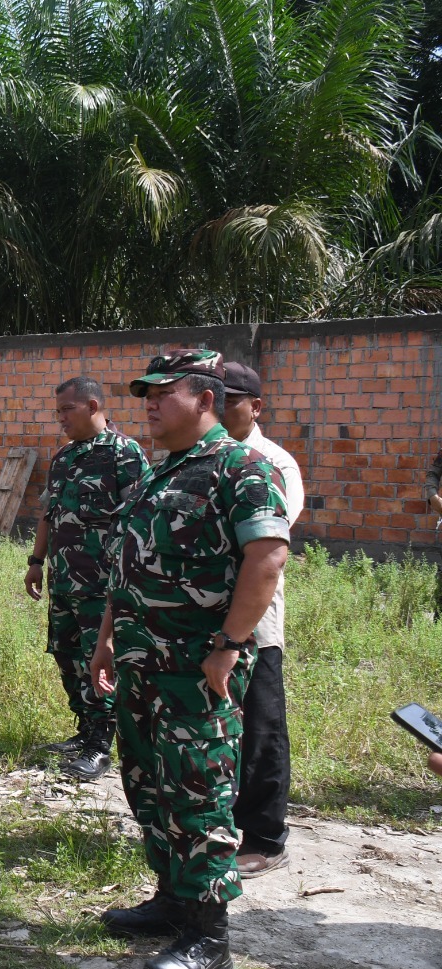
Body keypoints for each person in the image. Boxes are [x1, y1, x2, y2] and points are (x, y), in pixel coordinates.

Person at [89, 349, 289, 969]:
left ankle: (210, 934)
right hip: (142, 663)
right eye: (144, 392)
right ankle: (173, 900)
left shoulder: (242, 468)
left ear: (205, 398)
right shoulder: (159, 471)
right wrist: (105, 641)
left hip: (196, 671)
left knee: (199, 791)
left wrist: (230, 645)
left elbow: (265, 557)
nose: (148, 402)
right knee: (149, 783)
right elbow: (130, 569)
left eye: (162, 391)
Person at [24, 377, 149, 781]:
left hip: (102, 586)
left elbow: (138, 522)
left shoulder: (124, 454)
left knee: (98, 661)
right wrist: (36, 561)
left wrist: (125, 579)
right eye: (57, 411)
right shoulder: (63, 457)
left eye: (66, 410)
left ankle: (100, 745)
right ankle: (84, 730)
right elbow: (49, 514)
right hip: (63, 581)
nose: (59, 418)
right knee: (66, 654)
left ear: (93, 406)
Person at [217, 361, 304, 878]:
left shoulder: (273, 463)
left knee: (262, 728)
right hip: (201, 618)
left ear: (256, 407)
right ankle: (218, 822)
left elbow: (268, 537)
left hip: (254, 621)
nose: (223, 407)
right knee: (214, 725)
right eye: (216, 397)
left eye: (232, 400)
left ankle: (267, 837)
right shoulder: (198, 458)